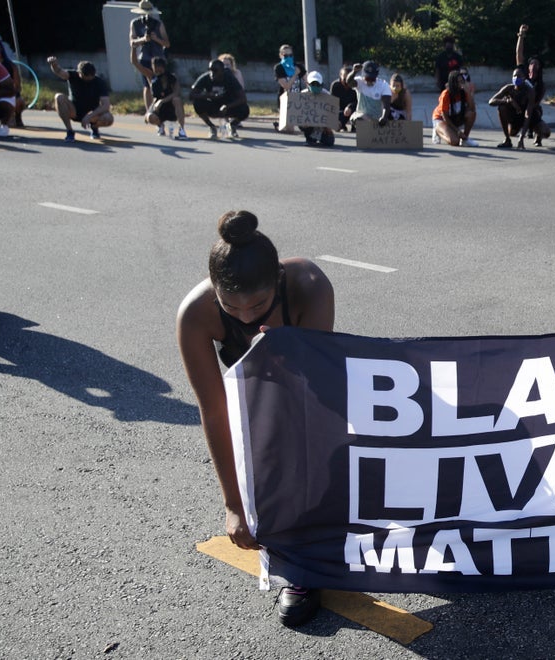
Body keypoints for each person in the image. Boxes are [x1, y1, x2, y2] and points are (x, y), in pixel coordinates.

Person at [177, 210, 334, 628]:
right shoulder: (195, 315)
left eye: (260, 305)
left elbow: (312, 399)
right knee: (260, 458)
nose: (246, 317)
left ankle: (308, 559)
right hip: (243, 395)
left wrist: (281, 353)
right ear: (214, 291)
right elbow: (214, 410)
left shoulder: (309, 287)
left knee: (306, 454)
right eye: (231, 306)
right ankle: (294, 566)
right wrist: (234, 505)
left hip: (307, 389)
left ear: (278, 282)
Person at [47, 57, 114, 142]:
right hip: (74, 110)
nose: (89, 79)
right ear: (79, 73)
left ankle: (94, 127)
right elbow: (59, 71)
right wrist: (54, 64)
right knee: (59, 97)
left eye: (91, 76)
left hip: (91, 114)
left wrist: (89, 116)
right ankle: (70, 131)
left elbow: (106, 105)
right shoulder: (72, 75)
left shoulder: (99, 82)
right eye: (86, 77)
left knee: (108, 118)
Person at [130, 50, 188, 139]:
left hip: (170, 107)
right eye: (155, 68)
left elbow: (176, 93)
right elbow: (135, 62)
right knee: (149, 117)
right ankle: (160, 125)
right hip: (158, 108)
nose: (158, 70)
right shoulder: (151, 76)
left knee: (177, 100)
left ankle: (182, 130)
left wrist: (162, 101)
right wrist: (133, 47)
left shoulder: (172, 78)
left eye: (160, 68)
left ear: (164, 67)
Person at [190, 59, 249, 139]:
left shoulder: (230, 78)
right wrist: (208, 95)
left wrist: (227, 106)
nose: (212, 73)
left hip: (227, 106)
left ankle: (232, 126)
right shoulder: (205, 78)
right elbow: (192, 94)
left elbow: (243, 98)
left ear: (222, 71)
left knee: (245, 109)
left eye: (215, 71)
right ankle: (212, 127)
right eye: (210, 70)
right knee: (197, 103)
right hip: (213, 105)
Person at [128, 0, 170, 111]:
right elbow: (132, 42)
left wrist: (156, 38)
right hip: (145, 58)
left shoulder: (158, 24)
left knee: (161, 84)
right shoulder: (135, 23)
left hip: (158, 59)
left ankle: (161, 109)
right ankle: (149, 111)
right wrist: (143, 39)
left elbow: (167, 43)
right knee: (147, 85)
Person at [515, 24, 551, 146]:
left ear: (540, 68)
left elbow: (536, 102)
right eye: (532, 63)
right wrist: (521, 35)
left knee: (546, 131)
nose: (533, 66)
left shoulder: (541, 85)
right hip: (518, 107)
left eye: (536, 64)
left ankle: (537, 135)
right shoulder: (523, 74)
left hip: (531, 108)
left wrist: (530, 109)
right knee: (511, 132)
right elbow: (519, 53)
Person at [488, 68, 537, 149]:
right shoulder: (508, 88)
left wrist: (521, 137)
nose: (516, 78)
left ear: (524, 78)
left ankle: (537, 136)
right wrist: (507, 101)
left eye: (519, 76)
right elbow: (491, 101)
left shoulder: (529, 91)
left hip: (527, 117)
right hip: (514, 117)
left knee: (545, 131)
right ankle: (507, 139)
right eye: (514, 76)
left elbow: (528, 114)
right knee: (501, 108)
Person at [432, 69, 477, 146]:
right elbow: (445, 116)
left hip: (455, 117)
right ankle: (438, 131)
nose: (461, 84)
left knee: (471, 114)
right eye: (458, 82)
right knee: (454, 141)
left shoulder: (464, 92)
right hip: (442, 119)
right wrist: (457, 131)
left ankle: (465, 139)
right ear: (453, 83)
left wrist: (468, 93)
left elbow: (472, 109)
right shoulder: (446, 94)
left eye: (462, 81)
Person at [344, 61, 392, 128]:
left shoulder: (383, 85)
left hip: (376, 119)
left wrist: (384, 117)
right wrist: (354, 71)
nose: (369, 80)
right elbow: (348, 82)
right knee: (360, 118)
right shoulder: (359, 82)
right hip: (360, 116)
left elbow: (386, 106)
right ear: (363, 75)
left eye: (372, 78)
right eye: (367, 78)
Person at [301, 71, 335, 147]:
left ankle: (321, 135)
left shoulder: (327, 95)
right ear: (308, 84)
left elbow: (331, 113)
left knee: (329, 142)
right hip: (309, 123)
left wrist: (329, 126)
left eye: (317, 84)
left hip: (323, 125)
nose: (315, 86)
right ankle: (309, 137)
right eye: (313, 84)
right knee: (305, 125)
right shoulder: (303, 95)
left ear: (322, 84)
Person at [330, 65, 356, 132]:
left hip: (353, 109)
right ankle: (341, 125)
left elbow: (358, 101)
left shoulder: (356, 85)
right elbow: (332, 103)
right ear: (340, 75)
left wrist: (350, 107)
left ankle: (355, 126)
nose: (347, 82)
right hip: (340, 111)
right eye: (345, 79)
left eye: (349, 79)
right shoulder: (335, 85)